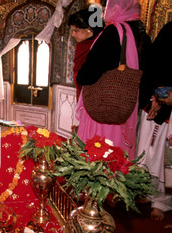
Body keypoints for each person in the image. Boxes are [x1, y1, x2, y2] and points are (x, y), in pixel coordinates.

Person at [75, 0, 151, 159]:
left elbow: (89, 73)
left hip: (103, 109)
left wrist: (81, 75)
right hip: (127, 109)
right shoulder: (141, 33)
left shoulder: (112, 32)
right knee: (118, 159)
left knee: (98, 155)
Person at [137, 21, 172, 221]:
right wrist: (154, 97)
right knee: (147, 153)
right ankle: (147, 192)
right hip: (153, 100)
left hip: (168, 110)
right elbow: (153, 66)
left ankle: (162, 201)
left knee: (162, 157)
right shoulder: (167, 30)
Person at [68, 8, 104, 100]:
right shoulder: (82, 45)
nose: (73, 34)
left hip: (95, 99)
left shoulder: (100, 46)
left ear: (89, 29)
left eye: (75, 30)